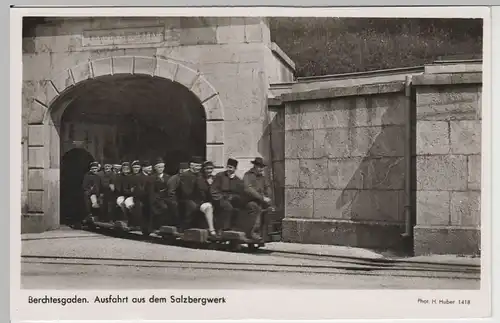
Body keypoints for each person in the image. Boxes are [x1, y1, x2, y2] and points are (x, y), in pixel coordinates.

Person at [211, 158, 264, 239]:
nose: (229, 169)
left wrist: (238, 199)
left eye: (231, 167)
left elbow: (241, 193)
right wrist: (221, 198)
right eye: (228, 167)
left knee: (250, 206)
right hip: (219, 199)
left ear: (235, 169)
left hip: (233, 200)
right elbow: (214, 190)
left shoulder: (238, 180)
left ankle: (245, 230)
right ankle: (222, 229)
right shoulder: (219, 176)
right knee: (227, 207)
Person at [167, 156, 204, 232]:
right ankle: (185, 227)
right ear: (191, 166)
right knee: (192, 206)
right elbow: (186, 192)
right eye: (197, 166)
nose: (198, 168)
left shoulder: (200, 175)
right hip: (185, 199)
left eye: (200, 166)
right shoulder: (185, 175)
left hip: (198, 199)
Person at [242, 157, 273, 240]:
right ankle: (253, 232)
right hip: (249, 201)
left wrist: (268, 196)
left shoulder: (262, 178)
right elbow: (248, 189)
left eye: (262, 167)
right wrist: (262, 198)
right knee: (256, 208)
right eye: (259, 167)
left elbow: (268, 187)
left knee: (269, 209)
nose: (261, 169)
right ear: (254, 166)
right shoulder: (248, 175)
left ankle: (265, 233)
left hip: (261, 200)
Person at [195, 161, 217, 237]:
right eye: (207, 169)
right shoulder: (200, 179)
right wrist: (210, 185)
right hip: (202, 202)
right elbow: (203, 194)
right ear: (204, 169)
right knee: (208, 206)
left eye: (211, 168)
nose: (209, 171)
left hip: (214, 201)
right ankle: (211, 229)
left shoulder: (215, 178)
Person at [149, 158, 172, 230]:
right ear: (155, 168)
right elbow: (151, 191)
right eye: (159, 167)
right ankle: (157, 226)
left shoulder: (168, 177)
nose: (161, 169)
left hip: (166, 197)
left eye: (162, 167)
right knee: (162, 207)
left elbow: (170, 189)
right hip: (156, 198)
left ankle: (168, 225)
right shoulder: (152, 177)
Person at [165, 162, 190, 228]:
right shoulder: (174, 179)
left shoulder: (188, 177)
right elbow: (171, 192)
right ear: (181, 170)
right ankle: (179, 224)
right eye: (186, 171)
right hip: (174, 199)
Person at [81, 161, 102, 228]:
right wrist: (90, 191)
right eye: (93, 168)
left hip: (98, 194)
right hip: (91, 193)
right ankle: (89, 216)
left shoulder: (100, 176)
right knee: (88, 201)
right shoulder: (87, 176)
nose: (94, 170)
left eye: (95, 168)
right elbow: (84, 186)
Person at [115, 161, 135, 225]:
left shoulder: (133, 176)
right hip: (122, 195)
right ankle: (126, 219)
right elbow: (118, 189)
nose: (126, 169)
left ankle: (133, 220)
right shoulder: (119, 177)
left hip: (132, 195)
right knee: (121, 202)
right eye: (124, 167)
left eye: (127, 167)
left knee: (130, 204)